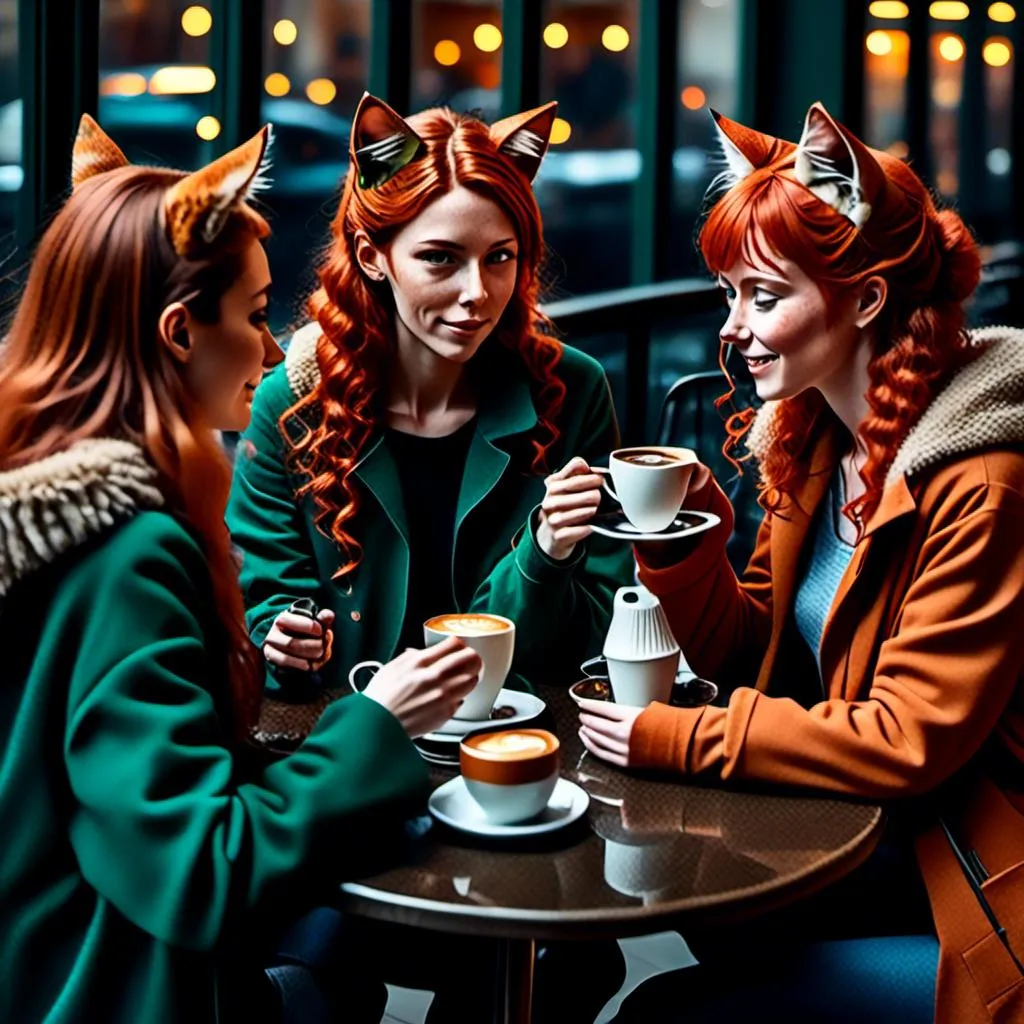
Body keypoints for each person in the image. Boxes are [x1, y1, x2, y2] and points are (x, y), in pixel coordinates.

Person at [0, 115, 482, 1024]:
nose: (270, 352)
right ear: (180, 330)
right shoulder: (131, 551)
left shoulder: (36, 501)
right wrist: (379, 721)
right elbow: (201, 870)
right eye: (258, 318)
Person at [577, 104, 1024, 1023]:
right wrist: (687, 547)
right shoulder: (820, 433)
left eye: (764, 297)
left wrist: (675, 737)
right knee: (693, 903)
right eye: (728, 293)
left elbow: (908, 738)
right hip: (880, 842)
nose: (732, 328)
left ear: (864, 300)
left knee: (662, 1011)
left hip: (978, 892)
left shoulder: (983, 478)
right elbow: (759, 659)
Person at [226, 92, 634, 699]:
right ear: (372, 256)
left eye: (500, 257)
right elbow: (268, 603)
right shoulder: (291, 405)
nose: (478, 293)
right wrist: (284, 637)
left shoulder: (571, 392)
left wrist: (546, 553)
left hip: (527, 751)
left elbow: (598, 638)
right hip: (350, 755)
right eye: (440, 259)